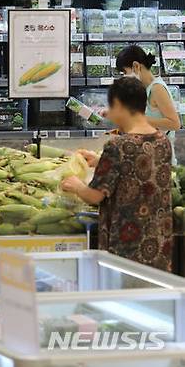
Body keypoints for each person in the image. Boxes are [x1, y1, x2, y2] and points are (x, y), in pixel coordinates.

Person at [62, 77, 173, 271]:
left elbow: (95, 196)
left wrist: (76, 185)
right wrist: (99, 162)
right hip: (157, 244)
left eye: (111, 107)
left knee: (122, 298)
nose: (110, 114)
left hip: (125, 246)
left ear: (119, 105)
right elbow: (138, 169)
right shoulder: (162, 140)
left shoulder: (117, 145)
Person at [115, 45, 181, 162]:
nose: (124, 76)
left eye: (125, 72)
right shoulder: (144, 88)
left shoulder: (157, 89)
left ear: (136, 66)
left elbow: (175, 124)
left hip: (161, 161)